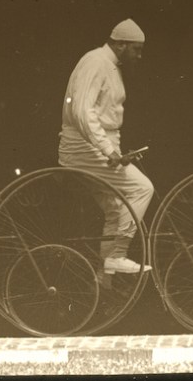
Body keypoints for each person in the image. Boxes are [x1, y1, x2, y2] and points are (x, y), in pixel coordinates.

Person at [59, 18, 154, 275]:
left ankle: (105, 284)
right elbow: (82, 110)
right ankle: (117, 254)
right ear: (121, 45)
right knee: (142, 188)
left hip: (98, 146)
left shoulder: (110, 66)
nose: (139, 56)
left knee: (117, 209)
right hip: (84, 148)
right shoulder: (95, 62)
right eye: (136, 49)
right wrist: (108, 150)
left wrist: (113, 149)